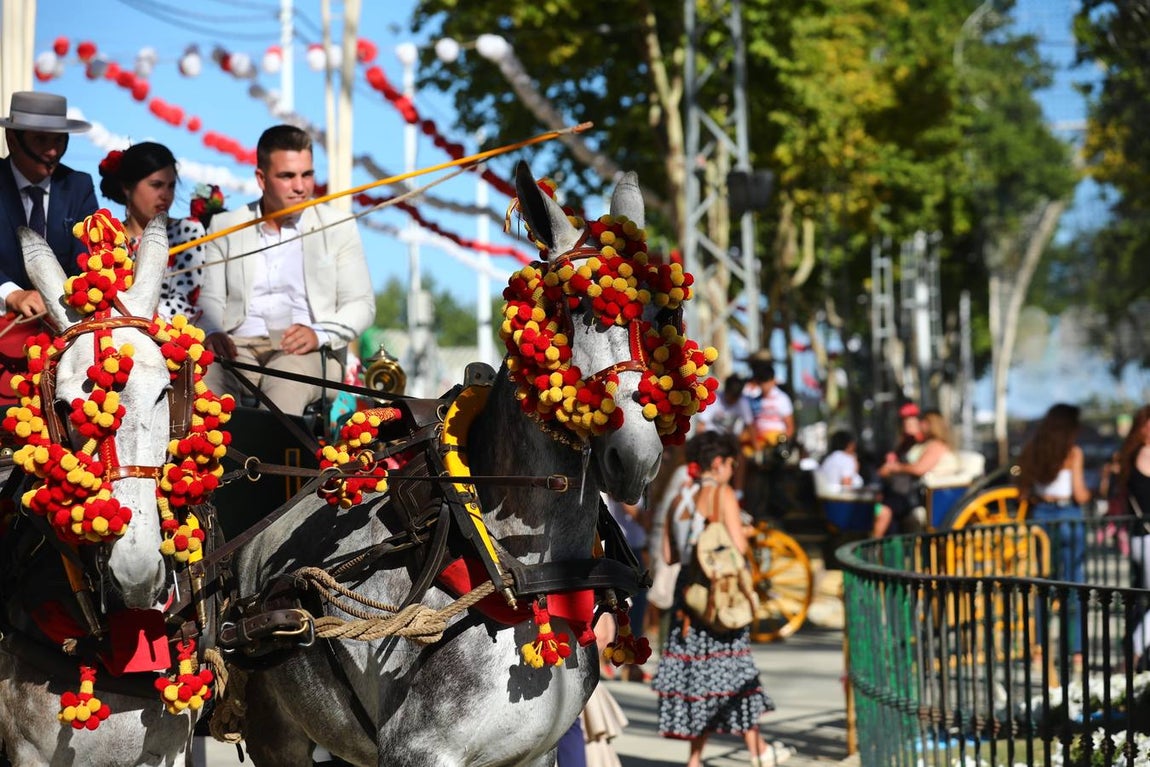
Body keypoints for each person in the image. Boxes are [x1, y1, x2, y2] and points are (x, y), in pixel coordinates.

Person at [199, 125, 375, 415]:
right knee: (205, 379)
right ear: (261, 178)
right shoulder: (226, 226)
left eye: (307, 175)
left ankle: (273, 461)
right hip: (237, 347)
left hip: (307, 351)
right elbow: (210, 299)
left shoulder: (339, 226)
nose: (300, 187)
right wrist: (214, 331)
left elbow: (361, 304)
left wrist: (317, 333)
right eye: (287, 176)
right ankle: (211, 459)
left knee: (284, 385)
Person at [652, 431, 792, 767]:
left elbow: (669, 555)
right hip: (720, 598)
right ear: (718, 462)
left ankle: (699, 759)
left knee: (701, 680)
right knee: (736, 673)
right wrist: (741, 531)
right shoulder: (723, 494)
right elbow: (739, 550)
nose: (732, 471)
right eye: (731, 464)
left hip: (688, 599)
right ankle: (758, 752)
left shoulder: (678, 499)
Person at [0, 91, 98, 319]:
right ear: (12, 140)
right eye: (40, 140)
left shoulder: (78, 186)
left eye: (59, 140)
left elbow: (87, 258)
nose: (53, 151)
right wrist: (12, 294)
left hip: (63, 321)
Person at [97, 142, 208, 321]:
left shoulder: (186, 231)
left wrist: (135, 324)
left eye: (171, 186)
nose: (165, 195)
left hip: (171, 337)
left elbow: (183, 301)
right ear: (127, 187)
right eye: (156, 185)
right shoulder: (108, 238)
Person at [1016, 403, 1091, 663]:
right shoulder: (1072, 452)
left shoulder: (1032, 451)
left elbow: (1022, 492)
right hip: (1067, 515)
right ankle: (1077, 651)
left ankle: (1039, 650)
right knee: (1073, 584)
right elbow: (1080, 494)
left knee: (1043, 584)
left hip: (1040, 519)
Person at [877, 409, 959, 531]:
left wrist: (896, 467)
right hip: (918, 493)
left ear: (932, 425)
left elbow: (919, 469)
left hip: (929, 497)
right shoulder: (927, 444)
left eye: (923, 422)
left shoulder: (936, 445)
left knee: (887, 508)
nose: (920, 425)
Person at [1113, 404, 1150, 669]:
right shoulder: (1146, 453)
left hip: (1140, 536)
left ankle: (1134, 651)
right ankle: (1134, 653)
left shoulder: (1130, 455)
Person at [819, 430, 894, 538]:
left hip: (830, 508)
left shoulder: (828, 460)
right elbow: (847, 484)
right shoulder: (846, 459)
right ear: (849, 445)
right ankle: (874, 544)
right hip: (847, 509)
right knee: (885, 512)